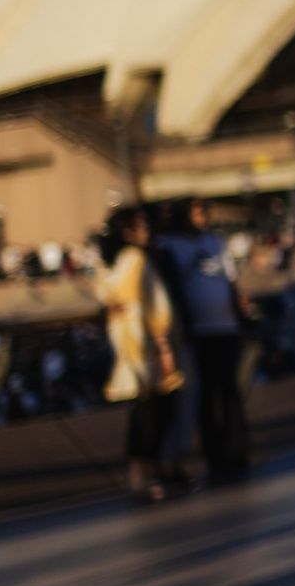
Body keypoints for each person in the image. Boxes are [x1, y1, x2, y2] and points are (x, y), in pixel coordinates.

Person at [161, 200, 253, 482]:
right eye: (197, 213)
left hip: (225, 326)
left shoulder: (216, 241)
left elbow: (231, 280)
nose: (203, 218)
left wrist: (242, 311)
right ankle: (215, 457)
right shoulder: (170, 245)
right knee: (205, 395)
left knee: (230, 391)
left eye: (205, 213)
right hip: (197, 331)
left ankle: (237, 452)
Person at [100, 205, 185, 503]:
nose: (147, 231)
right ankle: (143, 478)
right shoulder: (135, 259)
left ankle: (146, 476)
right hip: (144, 347)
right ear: (128, 232)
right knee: (151, 413)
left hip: (136, 345)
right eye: (141, 227)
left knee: (149, 412)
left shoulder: (120, 260)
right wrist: (161, 346)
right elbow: (144, 305)